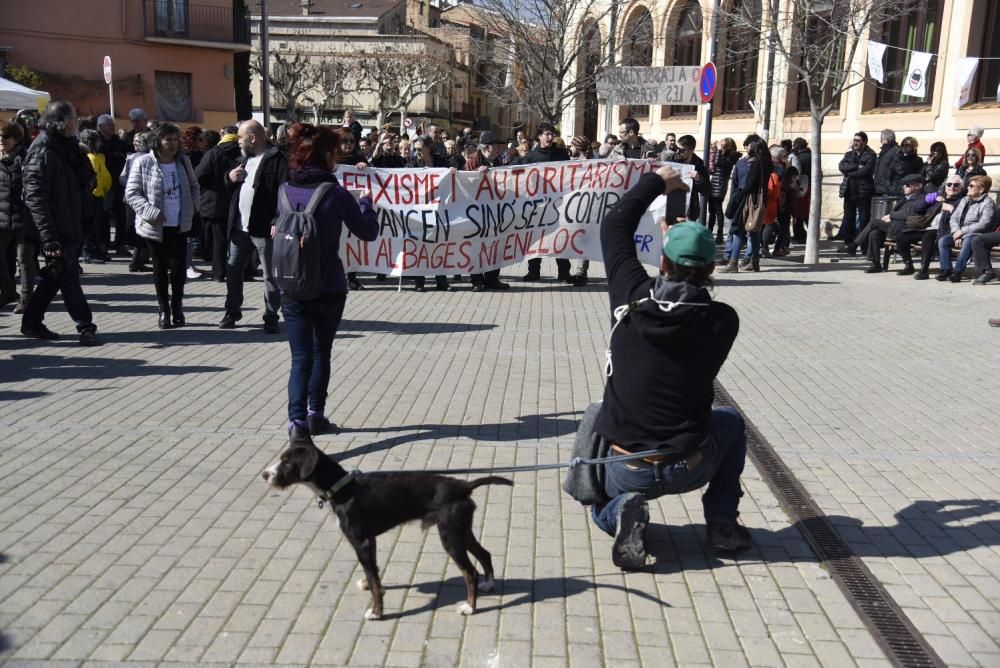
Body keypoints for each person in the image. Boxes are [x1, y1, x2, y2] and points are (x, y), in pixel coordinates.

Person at [581, 165, 749, 570]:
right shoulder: (723, 321)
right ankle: (723, 525)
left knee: (593, 434)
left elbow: (614, 227)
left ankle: (620, 511)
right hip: (690, 461)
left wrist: (658, 180)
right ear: (711, 269)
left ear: (662, 260)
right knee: (730, 423)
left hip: (627, 467)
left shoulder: (631, 299)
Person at [280, 124, 378, 440]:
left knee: (300, 358)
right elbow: (367, 232)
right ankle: (315, 415)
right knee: (321, 352)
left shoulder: (284, 190)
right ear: (325, 155)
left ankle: (296, 424)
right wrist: (367, 204)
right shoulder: (335, 194)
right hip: (329, 284)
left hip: (292, 284)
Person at [20, 100, 101, 345]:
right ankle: (85, 326)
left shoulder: (70, 147)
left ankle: (31, 322)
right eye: (74, 118)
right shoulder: (42, 149)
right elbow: (35, 197)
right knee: (68, 278)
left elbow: (86, 182)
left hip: (72, 224)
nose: (78, 122)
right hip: (56, 229)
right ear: (62, 122)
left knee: (55, 276)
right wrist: (48, 236)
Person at [125, 123, 200, 328]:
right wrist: (151, 212)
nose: (173, 144)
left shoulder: (183, 162)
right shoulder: (143, 163)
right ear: (158, 142)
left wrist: (192, 207)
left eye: (176, 139)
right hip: (154, 225)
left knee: (178, 268)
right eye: (169, 139)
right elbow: (131, 193)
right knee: (159, 268)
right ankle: (163, 309)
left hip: (180, 223)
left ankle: (177, 307)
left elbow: (194, 186)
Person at [219, 119, 288, 332]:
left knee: (270, 274)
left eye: (240, 137)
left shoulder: (277, 159)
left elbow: (285, 192)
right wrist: (229, 178)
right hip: (240, 227)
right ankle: (232, 312)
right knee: (233, 270)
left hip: (264, 228)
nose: (237, 141)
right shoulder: (242, 158)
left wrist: (277, 219)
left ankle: (271, 315)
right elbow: (228, 187)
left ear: (252, 137)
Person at [520, 123, 571, 282]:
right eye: (547, 134)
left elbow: (571, 174)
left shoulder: (561, 154)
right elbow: (522, 180)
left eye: (552, 134)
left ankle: (564, 272)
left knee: (560, 237)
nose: (550, 137)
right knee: (536, 237)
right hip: (538, 205)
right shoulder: (531, 157)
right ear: (539, 136)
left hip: (558, 203)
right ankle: (533, 271)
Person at [463, 131, 511, 291]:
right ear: (486, 147)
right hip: (475, 213)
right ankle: (476, 280)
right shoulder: (472, 161)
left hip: (494, 213)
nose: (499, 150)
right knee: (476, 247)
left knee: (495, 245)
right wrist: (476, 173)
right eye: (496, 147)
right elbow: (461, 183)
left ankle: (492, 278)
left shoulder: (497, 161)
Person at [405, 135, 451, 292]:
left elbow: (453, 177)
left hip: (439, 210)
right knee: (420, 246)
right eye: (415, 149)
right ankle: (419, 282)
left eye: (419, 148)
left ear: (429, 148)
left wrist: (452, 172)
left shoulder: (441, 162)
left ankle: (441, 281)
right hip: (418, 210)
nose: (416, 151)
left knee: (439, 245)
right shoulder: (412, 163)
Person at [195, 124, 241, 282]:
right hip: (238, 202)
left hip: (214, 202)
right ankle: (244, 270)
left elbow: (199, 176)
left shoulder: (214, 153)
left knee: (218, 241)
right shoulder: (245, 153)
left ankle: (218, 273)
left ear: (223, 135)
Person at [719, 138, 772, 273]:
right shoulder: (767, 163)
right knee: (753, 232)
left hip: (748, 201)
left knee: (737, 230)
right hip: (759, 202)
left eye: (748, 145)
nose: (746, 147)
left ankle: (733, 263)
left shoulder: (755, 163)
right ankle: (755, 263)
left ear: (754, 147)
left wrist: (739, 193)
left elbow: (749, 184)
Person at [866, 173, 932, 274]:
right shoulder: (905, 198)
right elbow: (899, 213)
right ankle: (876, 264)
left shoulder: (921, 198)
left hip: (907, 229)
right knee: (874, 233)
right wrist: (892, 217)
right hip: (895, 226)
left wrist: (891, 216)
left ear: (918, 186)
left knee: (874, 222)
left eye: (908, 185)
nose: (904, 187)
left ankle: (854, 245)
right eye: (904, 184)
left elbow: (909, 214)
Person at [936, 175, 997, 283]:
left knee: (968, 241)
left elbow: (983, 224)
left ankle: (957, 272)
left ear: (981, 189)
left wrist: (962, 232)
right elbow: (954, 217)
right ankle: (946, 270)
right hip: (960, 232)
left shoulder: (988, 203)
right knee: (943, 241)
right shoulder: (965, 199)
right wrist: (956, 232)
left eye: (971, 186)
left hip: (978, 234)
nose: (968, 187)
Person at [902, 177, 965, 280]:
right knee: (902, 236)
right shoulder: (939, 198)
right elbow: (917, 209)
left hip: (943, 231)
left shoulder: (962, 201)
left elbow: (961, 219)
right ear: (945, 187)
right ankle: (908, 264)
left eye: (956, 185)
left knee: (929, 236)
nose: (952, 187)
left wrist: (950, 208)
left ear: (961, 188)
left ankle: (924, 270)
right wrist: (932, 201)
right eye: (949, 184)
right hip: (926, 227)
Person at [0, 119, 31, 309]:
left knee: (24, 259)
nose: (2, 140)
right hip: (2, 216)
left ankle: (26, 299)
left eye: (6, 137)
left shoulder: (24, 159)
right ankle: (9, 291)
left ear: (16, 139)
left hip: (23, 216)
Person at [97, 114, 129, 255]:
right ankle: (103, 244)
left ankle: (120, 244)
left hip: (118, 184)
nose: (112, 127)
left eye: (113, 124)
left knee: (121, 216)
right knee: (103, 216)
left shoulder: (119, 142)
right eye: (109, 124)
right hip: (102, 185)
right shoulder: (97, 143)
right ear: (101, 127)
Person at [836, 132, 877, 243]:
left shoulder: (871, 155)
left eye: (858, 141)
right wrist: (855, 166)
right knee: (849, 218)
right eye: (854, 140)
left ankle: (863, 244)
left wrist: (849, 172)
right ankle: (849, 244)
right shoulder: (849, 154)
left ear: (864, 142)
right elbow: (841, 166)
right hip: (849, 190)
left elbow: (865, 172)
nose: (855, 143)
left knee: (864, 219)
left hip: (863, 192)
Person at [707, 138, 739, 244]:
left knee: (717, 209)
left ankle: (719, 234)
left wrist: (719, 151)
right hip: (714, 183)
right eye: (721, 145)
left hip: (720, 184)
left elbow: (718, 162)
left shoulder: (730, 156)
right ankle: (709, 231)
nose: (721, 147)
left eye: (724, 146)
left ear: (729, 147)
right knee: (712, 210)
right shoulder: (724, 155)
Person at [790, 138, 812, 243]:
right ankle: (809, 234)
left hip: (802, 188)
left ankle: (800, 235)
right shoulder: (812, 156)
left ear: (797, 146)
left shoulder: (799, 158)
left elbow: (796, 174)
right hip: (810, 187)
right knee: (807, 213)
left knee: (799, 213)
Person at [872, 129, 899, 197]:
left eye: (882, 139)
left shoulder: (896, 150)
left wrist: (891, 187)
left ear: (887, 139)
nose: (881, 141)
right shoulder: (885, 150)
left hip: (887, 190)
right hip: (879, 188)